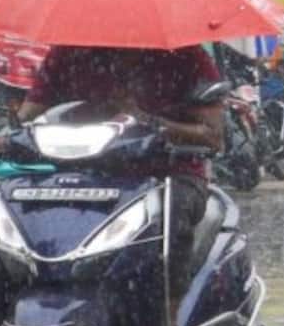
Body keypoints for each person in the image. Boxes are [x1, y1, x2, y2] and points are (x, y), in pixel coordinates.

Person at [21, 44, 225, 301]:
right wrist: (7, 131)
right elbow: (30, 112)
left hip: (169, 173)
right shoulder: (67, 53)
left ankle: (169, 317)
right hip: (86, 174)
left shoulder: (187, 56)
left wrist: (148, 121)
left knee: (171, 219)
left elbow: (213, 136)